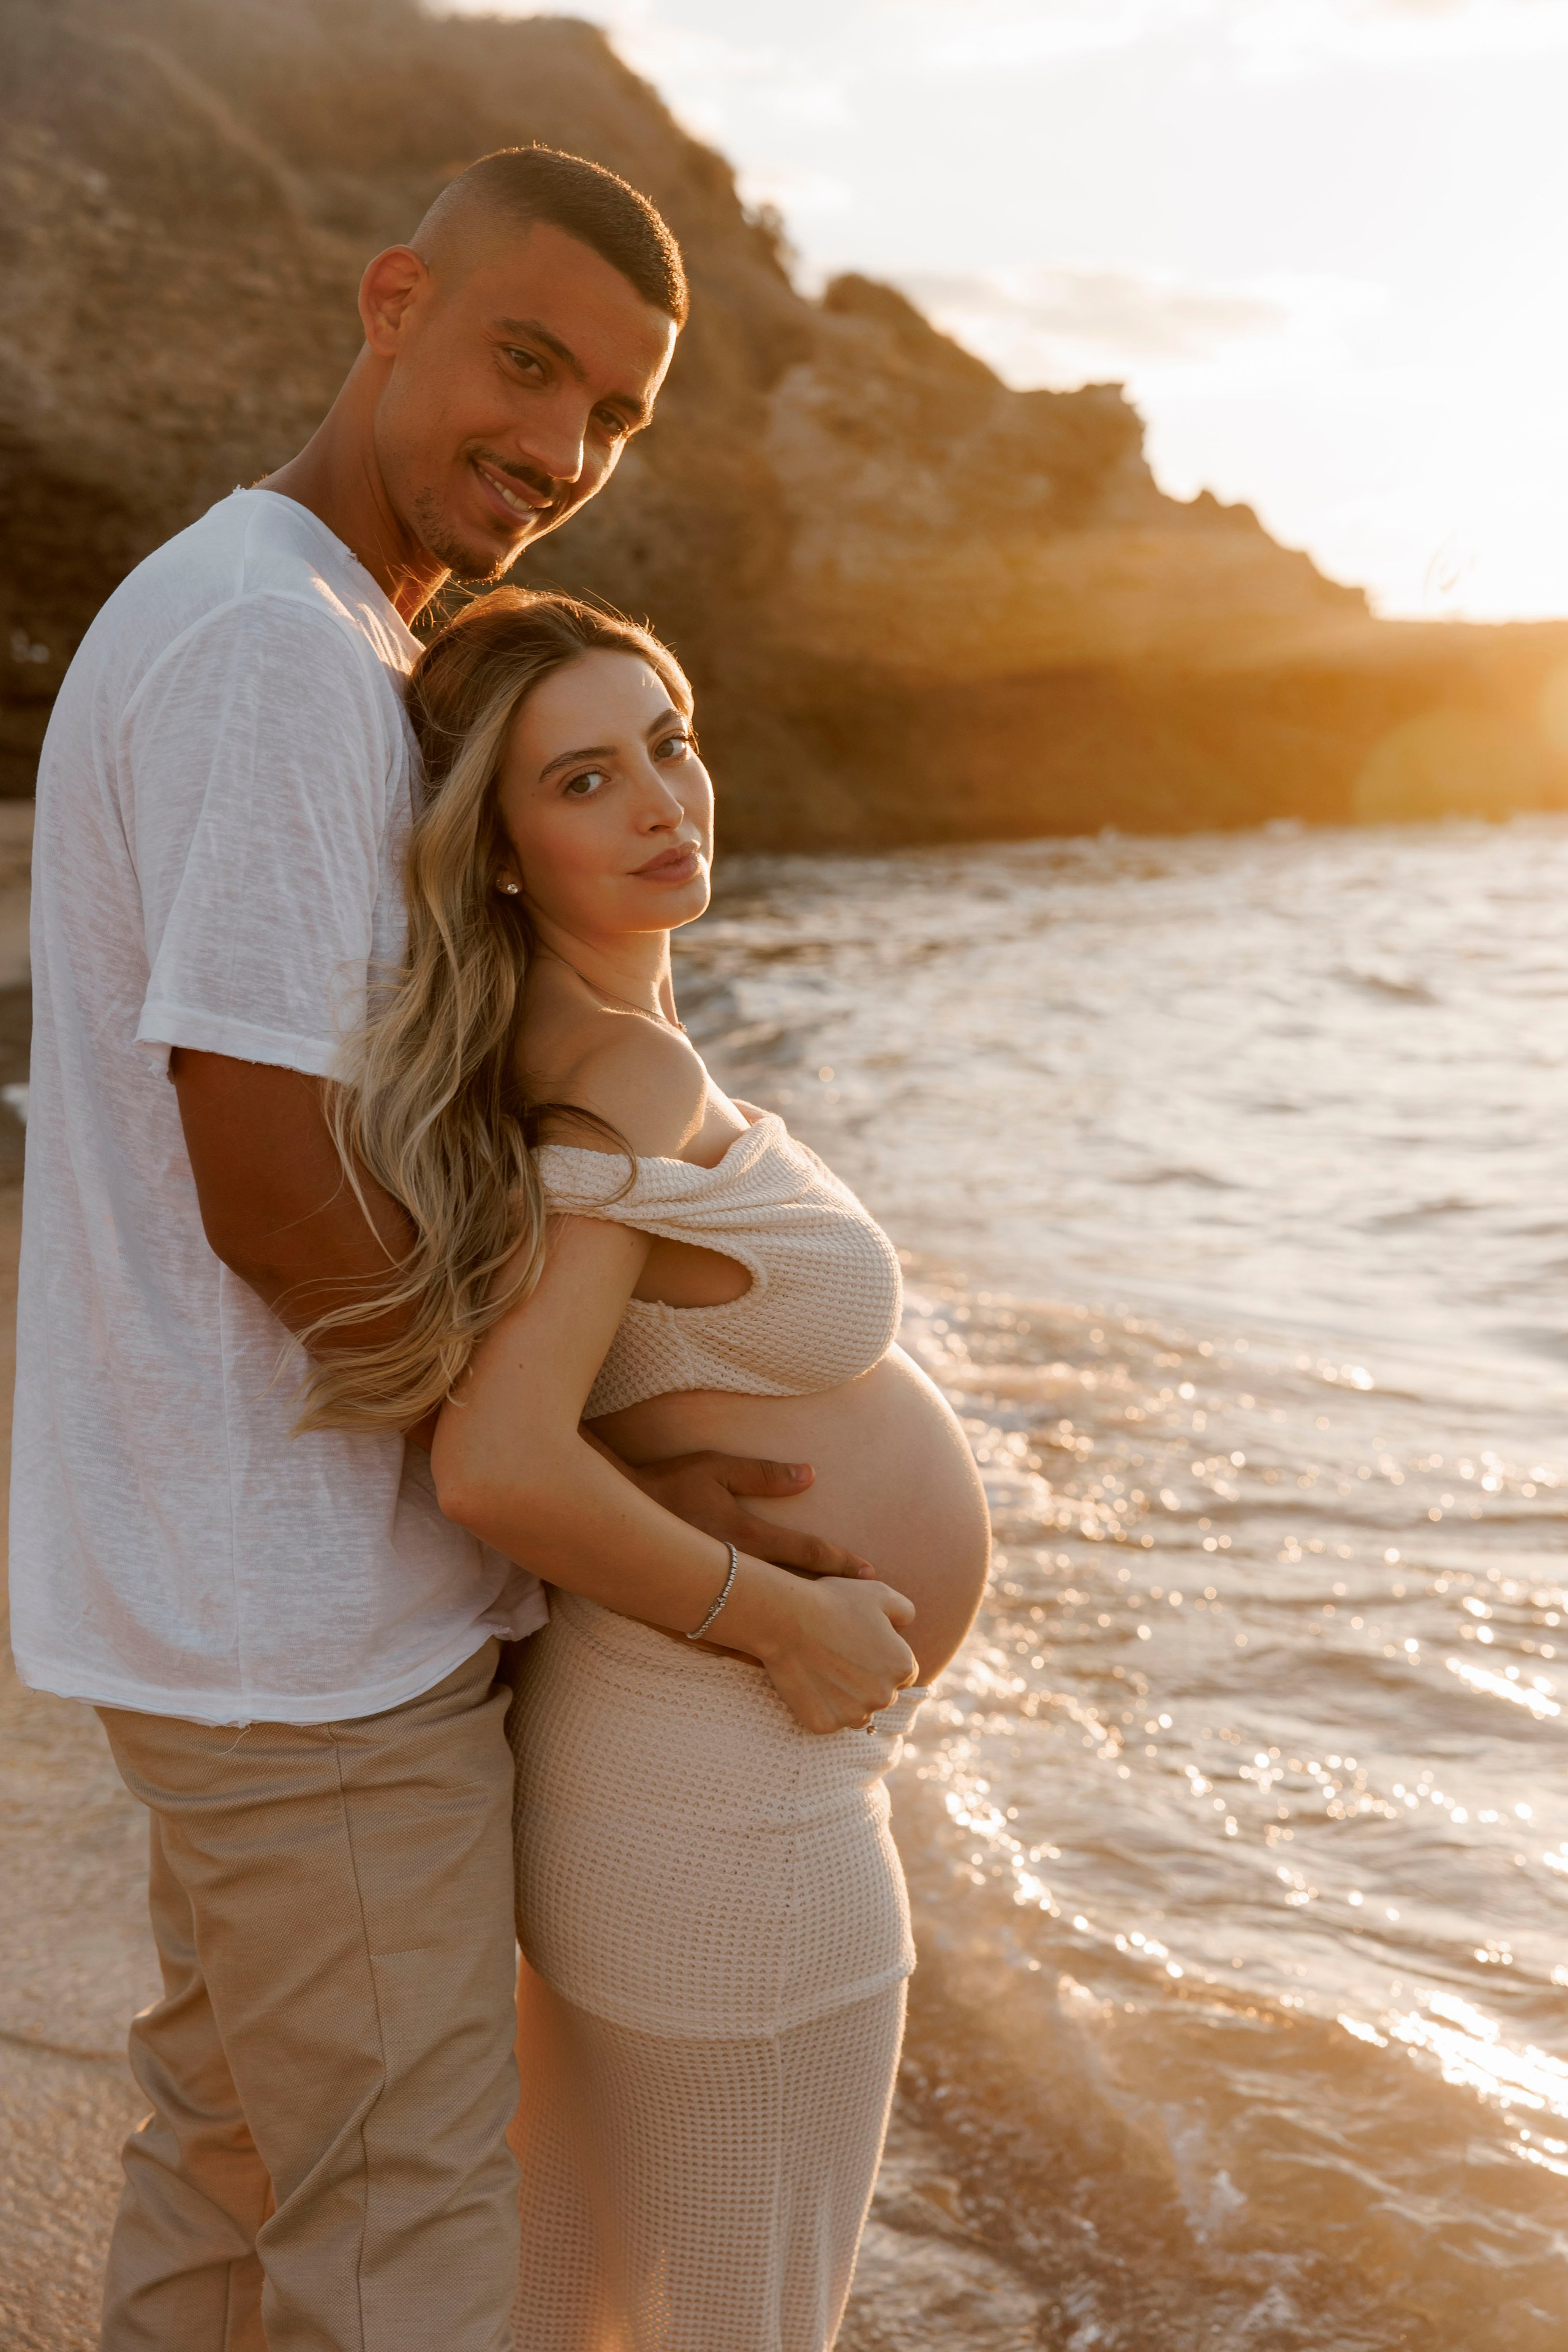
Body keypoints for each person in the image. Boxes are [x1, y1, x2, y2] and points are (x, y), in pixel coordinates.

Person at [10, 146, 914, 2352]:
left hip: (253, 1623)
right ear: (392, 301)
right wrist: (591, 1503)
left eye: (612, 415)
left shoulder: (319, 637)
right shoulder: (268, 647)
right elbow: (268, 1176)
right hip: (301, 1643)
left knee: (235, 2181)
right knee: (402, 2252)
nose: (561, 446)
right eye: (529, 363)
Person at [303, 584, 992, 2350]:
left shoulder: (551, 1051)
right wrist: (785, 1621)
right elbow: (499, 1464)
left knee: (590, 2309)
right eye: (585, 781)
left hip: (644, 1792)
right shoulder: (619, 1064)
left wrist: (633, 1440)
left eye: (668, 747)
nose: (664, 803)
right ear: (502, 848)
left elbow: (536, 1389)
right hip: (728, 1804)